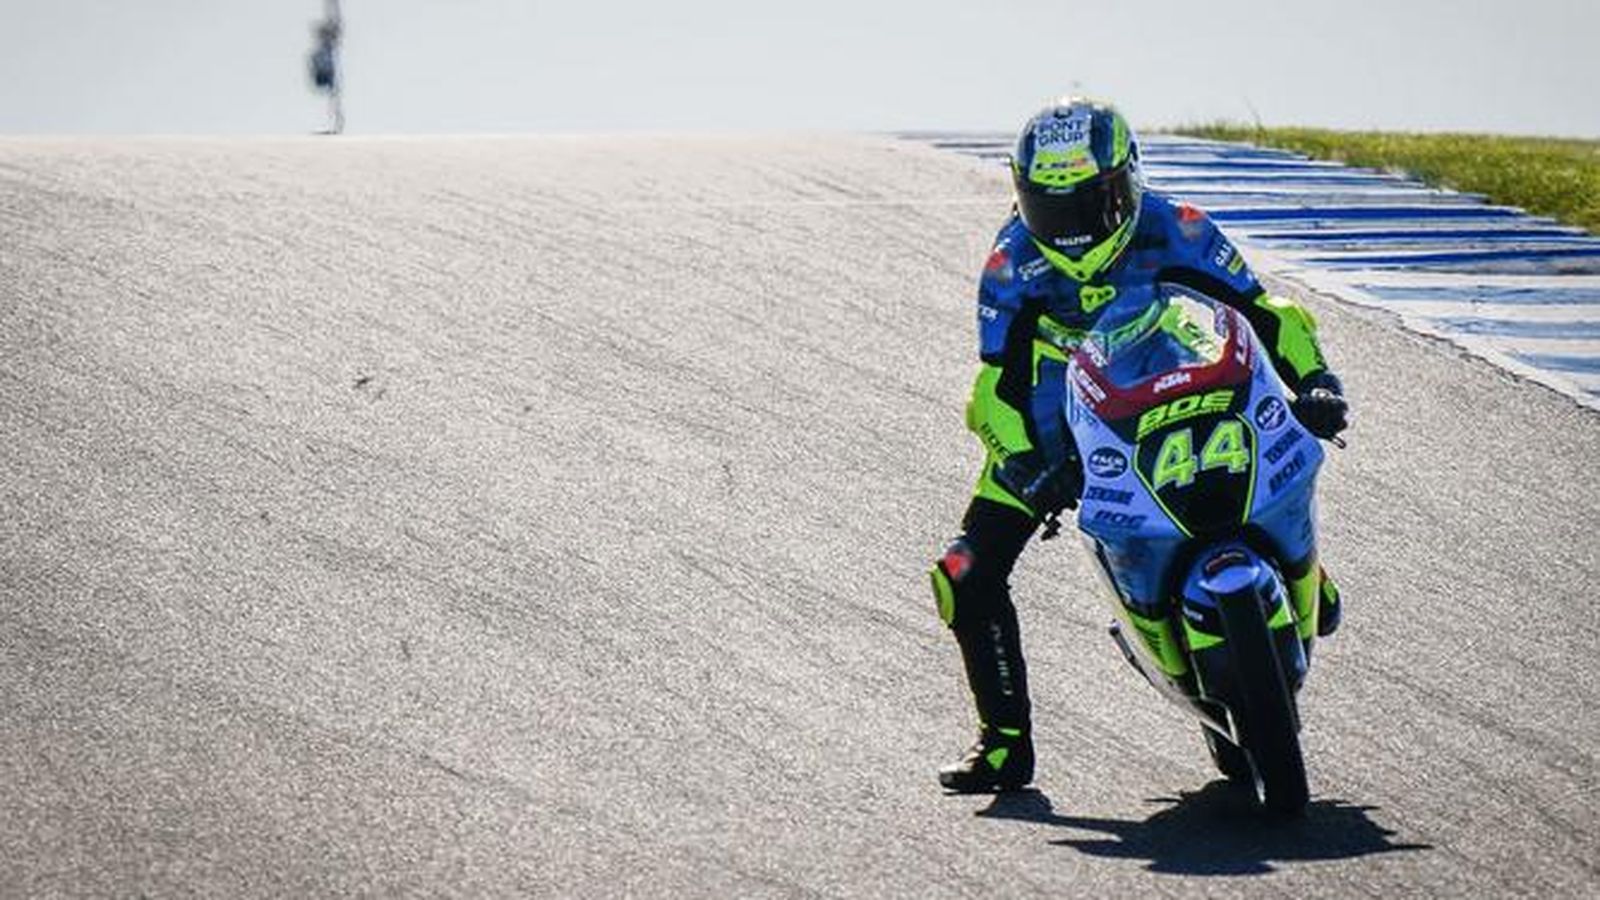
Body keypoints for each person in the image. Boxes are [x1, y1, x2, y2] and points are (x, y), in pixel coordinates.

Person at [930, 98, 1350, 793]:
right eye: (1050, 207)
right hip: (1060, 423)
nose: (1069, 228)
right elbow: (992, 391)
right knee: (964, 575)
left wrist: (1317, 381)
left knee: (1272, 461)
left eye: (1090, 204)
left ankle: (1301, 566)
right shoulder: (1011, 262)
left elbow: (1267, 313)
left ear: (1127, 180)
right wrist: (1031, 465)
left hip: (1182, 382)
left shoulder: (1175, 227)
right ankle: (1003, 745)